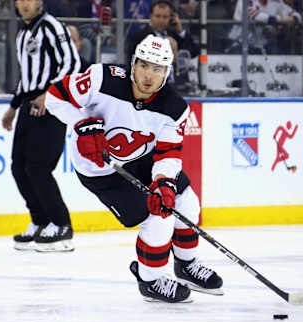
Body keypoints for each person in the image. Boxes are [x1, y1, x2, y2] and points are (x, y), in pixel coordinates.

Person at [44, 34, 223, 303]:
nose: (149, 75)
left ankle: (185, 265)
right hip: (101, 169)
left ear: (167, 72)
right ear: (133, 64)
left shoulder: (175, 108)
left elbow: (168, 152)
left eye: (158, 68)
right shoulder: (101, 79)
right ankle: (150, 280)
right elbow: (54, 97)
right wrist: (82, 124)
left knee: (186, 202)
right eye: (144, 65)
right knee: (157, 218)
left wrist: (164, 182)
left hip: (143, 159)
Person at [1, 0, 80, 252]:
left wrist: (51, 93)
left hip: (51, 104)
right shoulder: (23, 32)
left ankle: (62, 224)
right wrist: (13, 107)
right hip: (28, 103)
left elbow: (72, 63)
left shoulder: (51, 26)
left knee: (38, 167)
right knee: (19, 167)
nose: (24, 4)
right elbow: (26, 76)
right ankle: (40, 220)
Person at [125, 0, 199, 66]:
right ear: (150, 16)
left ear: (171, 17)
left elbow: (193, 53)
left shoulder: (175, 34)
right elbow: (134, 62)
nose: (161, 20)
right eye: (158, 16)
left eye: (165, 17)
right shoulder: (139, 36)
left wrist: (180, 31)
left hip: (177, 79)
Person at [228, 0, 302, 54]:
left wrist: (290, 19)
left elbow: (297, 16)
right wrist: (279, 20)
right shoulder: (244, 1)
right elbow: (254, 16)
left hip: (263, 46)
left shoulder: (276, 2)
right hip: (239, 44)